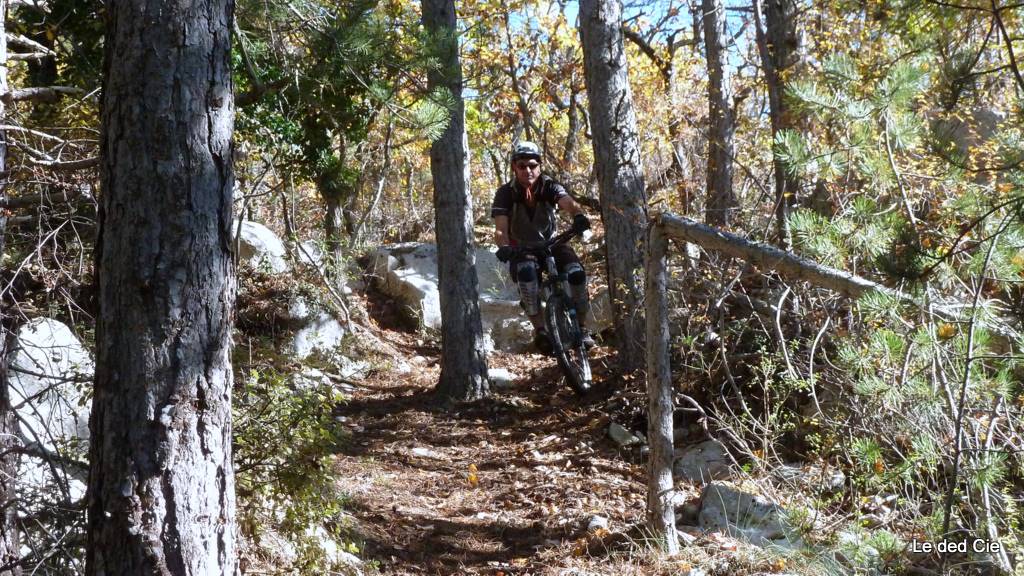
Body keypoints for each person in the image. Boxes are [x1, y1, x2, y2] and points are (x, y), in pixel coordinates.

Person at [491, 141, 595, 353]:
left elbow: (567, 201)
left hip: (553, 244)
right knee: (527, 277)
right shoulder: (505, 193)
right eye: (522, 166)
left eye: (532, 165)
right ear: (514, 167)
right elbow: (500, 229)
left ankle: (582, 328)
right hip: (522, 249)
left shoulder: (549, 185)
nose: (527, 170)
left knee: (576, 275)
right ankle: (541, 331)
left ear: (540, 165)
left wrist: (579, 216)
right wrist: (504, 247)